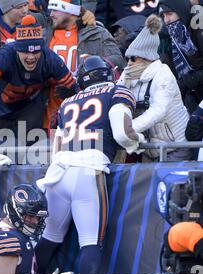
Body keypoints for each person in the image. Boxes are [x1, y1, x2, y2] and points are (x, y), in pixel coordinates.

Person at [35, 55, 145, 274]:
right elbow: (122, 134)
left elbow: (55, 148)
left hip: (58, 172)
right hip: (88, 171)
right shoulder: (117, 91)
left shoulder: (66, 103)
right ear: (108, 73)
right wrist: (138, 143)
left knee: (49, 238)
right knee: (91, 243)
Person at [0, 14, 76, 147]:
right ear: (17, 50)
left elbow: (74, 88)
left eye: (35, 52)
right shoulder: (5, 55)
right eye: (25, 52)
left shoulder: (50, 59)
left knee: (28, 155)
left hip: (25, 112)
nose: (31, 57)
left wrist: (71, 92)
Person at [118, 14, 191, 161]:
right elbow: (116, 96)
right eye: (127, 59)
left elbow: (158, 111)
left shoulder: (163, 74)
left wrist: (127, 129)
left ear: (147, 58)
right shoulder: (129, 73)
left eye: (133, 58)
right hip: (149, 150)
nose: (129, 63)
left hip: (174, 148)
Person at [44, 0, 125, 128]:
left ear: (71, 11)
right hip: (49, 112)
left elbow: (118, 60)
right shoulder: (45, 34)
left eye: (56, 10)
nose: (51, 14)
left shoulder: (97, 32)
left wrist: (95, 62)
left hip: (85, 114)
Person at [158, 0, 203, 114]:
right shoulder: (175, 35)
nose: (166, 20)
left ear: (181, 11)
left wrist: (194, 78)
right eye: (163, 16)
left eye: (169, 14)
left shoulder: (199, 30)